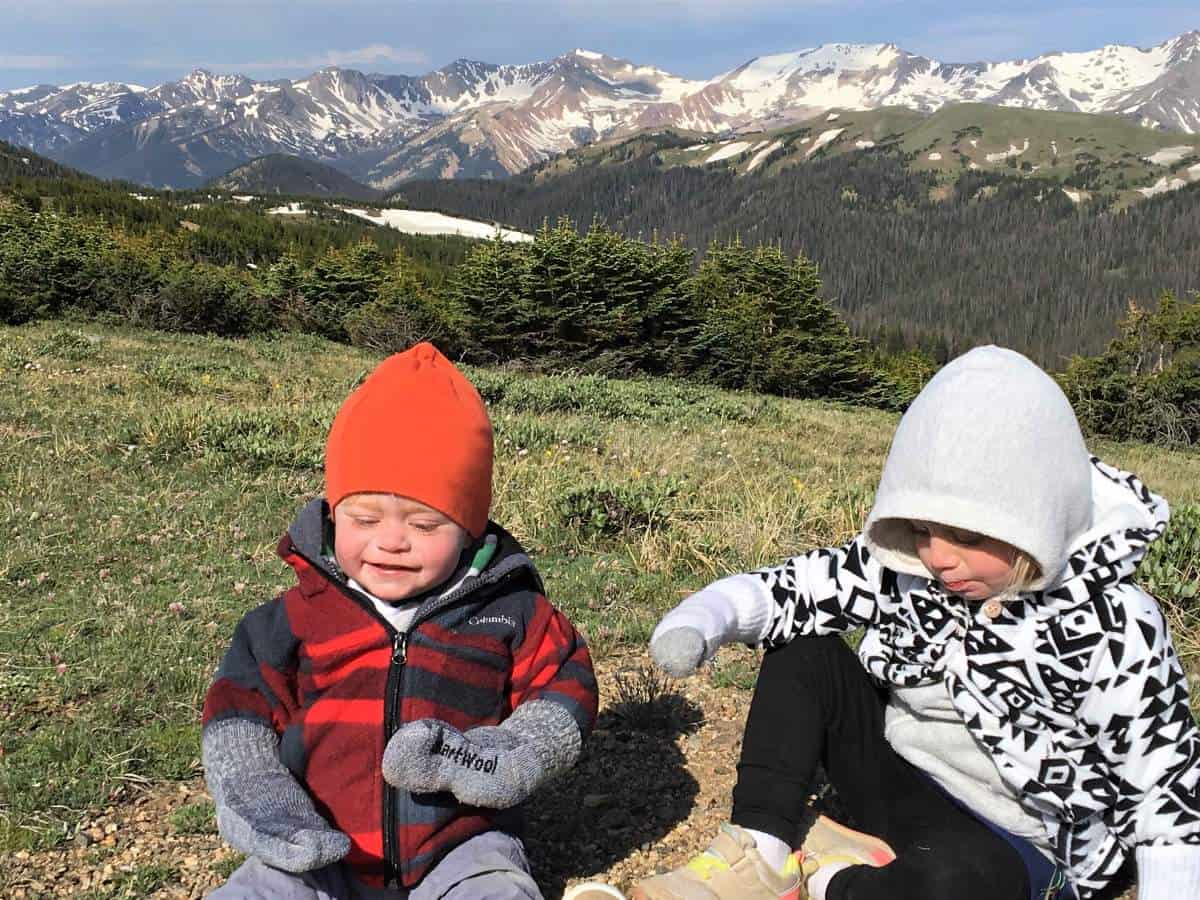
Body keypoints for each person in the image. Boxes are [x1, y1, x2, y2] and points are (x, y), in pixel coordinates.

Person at [634, 346, 1200, 900]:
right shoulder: (909, 570)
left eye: (969, 537)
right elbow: (805, 586)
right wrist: (709, 616)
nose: (938, 557)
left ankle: (834, 878)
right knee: (805, 652)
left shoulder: (1114, 624)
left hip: (1022, 838)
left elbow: (1164, 780)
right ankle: (762, 852)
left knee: (954, 882)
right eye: (923, 530)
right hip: (899, 775)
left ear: (1038, 519)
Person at [201, 343, 599, 899]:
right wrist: (261, 796)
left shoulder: (512, 612)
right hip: (315, 845)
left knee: (498, 890)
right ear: (332, 513)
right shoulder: (289, 621)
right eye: (364, 518)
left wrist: (508, 756)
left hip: (463, 846)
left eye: (425, 524)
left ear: (470, 529)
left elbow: (565, 688)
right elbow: (237, 716)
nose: (391, 541)